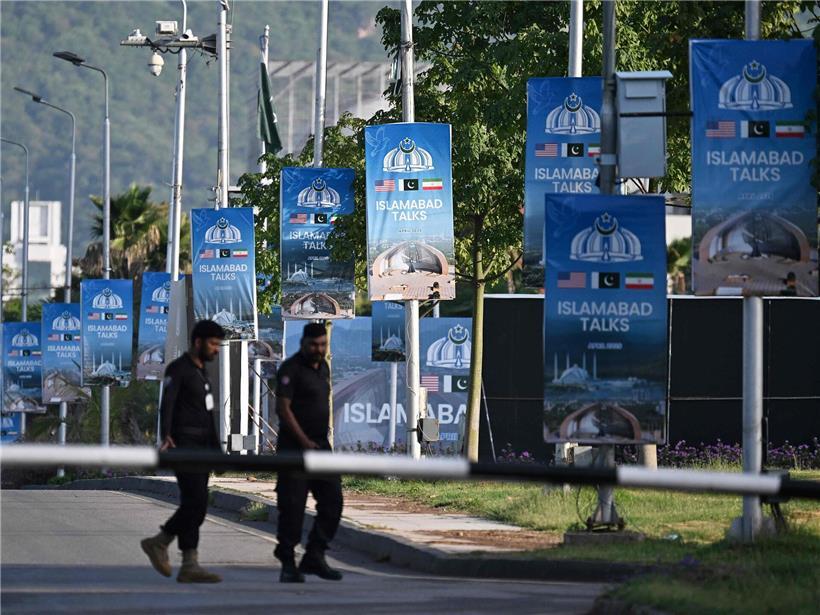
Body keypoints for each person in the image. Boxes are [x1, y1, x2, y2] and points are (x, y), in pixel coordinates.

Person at [140, 319, 225, 583]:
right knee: (195, 502)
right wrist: (166, 435)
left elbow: (209, 416)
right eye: (213, 344)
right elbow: (168, 403)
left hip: (203, 450)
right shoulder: (179, 369)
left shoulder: (202, 374)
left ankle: (189, 563)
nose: (217, 349)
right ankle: (161, 542)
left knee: (196, 505)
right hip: (184, 446)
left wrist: (218, 451)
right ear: (198, 342)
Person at [273, 322, 343, 583]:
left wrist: (318, 442)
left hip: (320, 447)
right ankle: (288, 561)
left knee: (333, 501)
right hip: (294, 449)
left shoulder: (323, 367)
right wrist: (303, 440)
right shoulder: (290, 369)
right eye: (314, 345)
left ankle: (314, 555)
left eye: (323, 344)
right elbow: (283, 409)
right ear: (303, 343)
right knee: (292, 507)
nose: (319, 349)